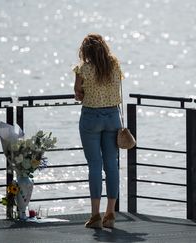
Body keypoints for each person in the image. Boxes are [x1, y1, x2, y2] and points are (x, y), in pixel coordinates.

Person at [73, 33, 124, 229]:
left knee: (94, 165)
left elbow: (78, 94)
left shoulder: (83, 68)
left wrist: (84, 93)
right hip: (112, 117)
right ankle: (110, 214)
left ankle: (95, 215)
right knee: (111, 164)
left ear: (85, 51)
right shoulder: (114, 65)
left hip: (91, 118)